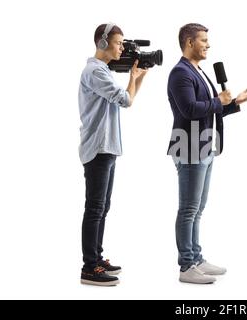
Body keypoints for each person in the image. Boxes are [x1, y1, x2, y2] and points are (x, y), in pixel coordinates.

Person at [167, 23, 247, 284]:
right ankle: (186, 266)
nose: (208, 45)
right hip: (189, 145)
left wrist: (234, 103)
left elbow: (210, 109)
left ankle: (196, 257)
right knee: (188, 209)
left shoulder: (198, 71)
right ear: (189, 42)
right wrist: (220, 101)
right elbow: (190, 110)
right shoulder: (180, 73)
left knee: (198, 208)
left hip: (205, 145)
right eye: (203, 40)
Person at [78, 23, 148, 286]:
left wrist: (139, 76)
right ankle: (89, 266)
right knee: (95, 208)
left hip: (106, 147)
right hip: (98, 147)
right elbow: (125, 100)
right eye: (119, 43)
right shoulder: (95, 72)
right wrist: (132, 77)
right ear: (103, 43)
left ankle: (96, 258)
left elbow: (126, 99)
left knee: (102, 207)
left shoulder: (102, 71)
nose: (122, 48)